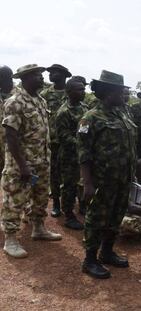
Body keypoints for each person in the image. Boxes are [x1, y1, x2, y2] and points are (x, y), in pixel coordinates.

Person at [78, 70, 137, 279]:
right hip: (102, 180)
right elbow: (84, 154)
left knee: (116, 215)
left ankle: (107, 251)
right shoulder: (90, 118)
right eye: (120, 91)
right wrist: (87, 183)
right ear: (109, 92)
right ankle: (90, 259)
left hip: (122, 178)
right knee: (96, 218)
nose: (124, 95)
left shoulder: (122, 113)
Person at [2, 64, 62, 258]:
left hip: (42, 161)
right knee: (15, 199)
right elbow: (11, 136)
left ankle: (38, 227)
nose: (42, 78)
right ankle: (10, 239)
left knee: (41, 196)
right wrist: (23, 166)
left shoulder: (40, 101)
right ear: (26, 78)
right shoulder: (15, 102)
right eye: (37, 75)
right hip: (22, 164)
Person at [55, 78, 89, 230]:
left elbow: (86, 129)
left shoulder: (84, 108)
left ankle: (83, 207)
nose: (83, 92)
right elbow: (63, 136)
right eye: (79, 90)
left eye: (83, 89)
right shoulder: (63, 112)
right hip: (69, 155)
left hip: (83, 154)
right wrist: (81, 143)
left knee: (83, 182)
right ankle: (68, 215)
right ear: (69, 92)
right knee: (69, 185)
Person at [41, 64, 72, 217]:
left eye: (54, 72)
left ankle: (69, 206)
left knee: (70, 174)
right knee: (54, 173)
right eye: (50, 72)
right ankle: (56, 204)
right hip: (52, 141)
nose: (50, 74)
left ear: (64, 75)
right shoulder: (45, 94)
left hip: (69, 142)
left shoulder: (72, 92)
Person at [0, 65, 14, 175]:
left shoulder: (19, 95)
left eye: (11, 77)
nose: (10, 81)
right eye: (6, 78)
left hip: (13, 145)